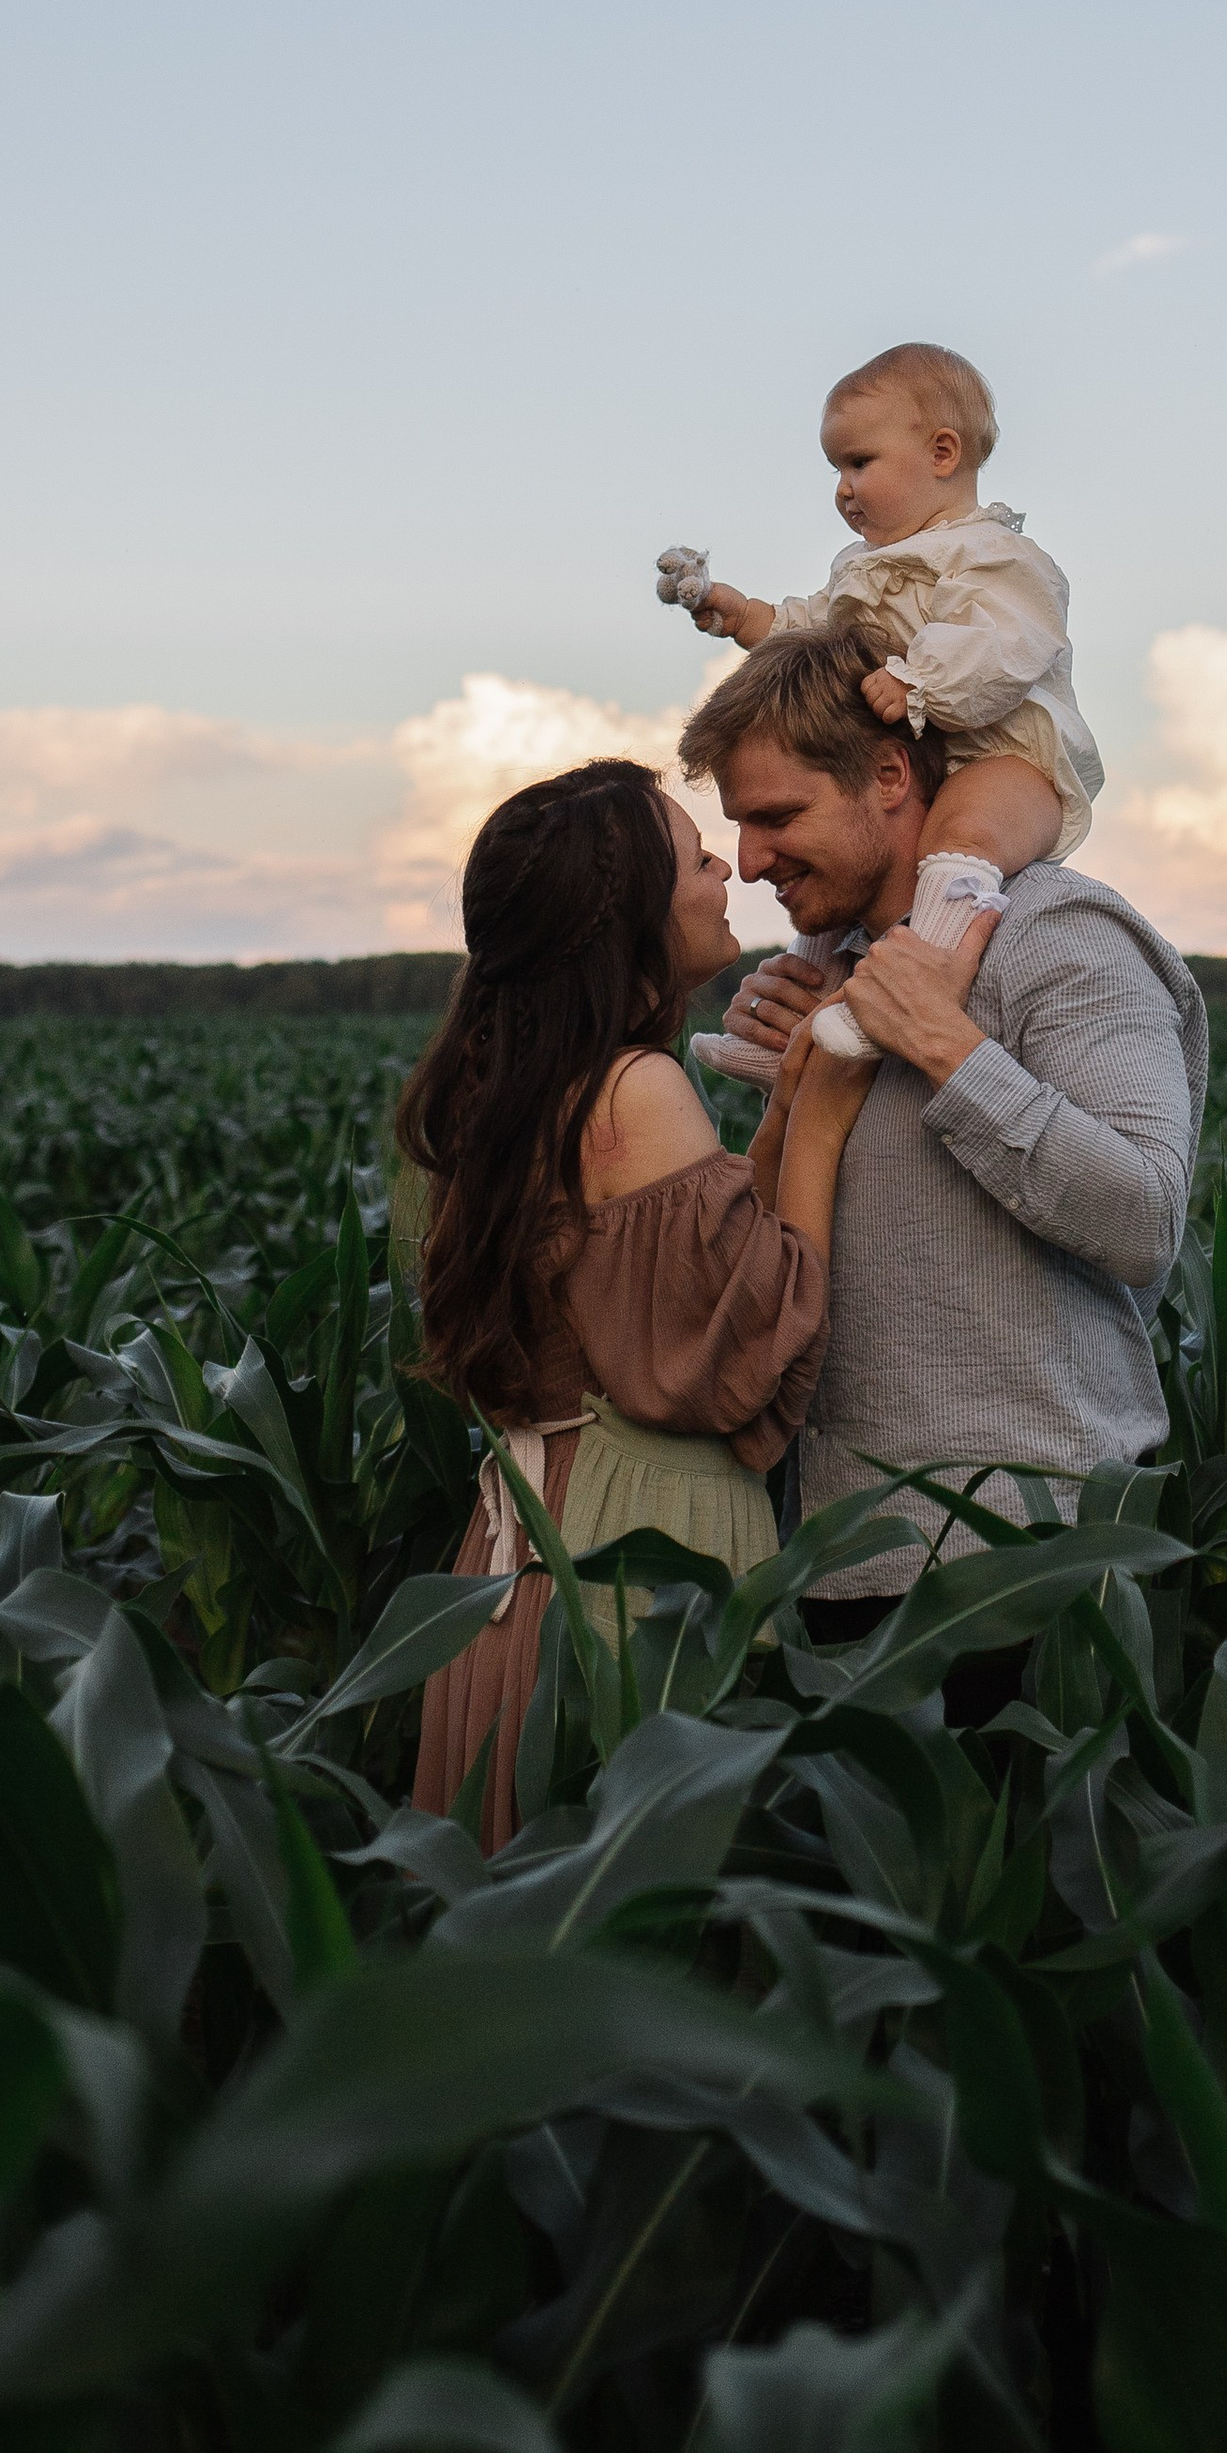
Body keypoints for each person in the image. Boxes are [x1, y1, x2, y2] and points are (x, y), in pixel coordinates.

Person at [675, 625, 1206, 1689]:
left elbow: (1145, 1219)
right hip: (841, 1557)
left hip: (1033, 1556)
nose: (751, 861)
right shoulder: (835, 969)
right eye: (737, 825)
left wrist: (944, 1047)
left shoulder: (1061, 932)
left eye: (778, 817)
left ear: (888, 776)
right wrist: (792, 1082)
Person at [402, 758, 870, 1845]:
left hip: (518, 1559)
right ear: (630, 915)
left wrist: (783, 1103)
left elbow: (694, 1271)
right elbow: (749, 1342)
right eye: (695, 858)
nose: (725, 871)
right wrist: (830, 1111)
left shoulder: (522, 1090)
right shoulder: (634, 1088)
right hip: (636, 1564)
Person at [655, 339, 1104, 1076]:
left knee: (958, 840)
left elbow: (1006, 642)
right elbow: (817, 629)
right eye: (836, 470)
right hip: (926, 757)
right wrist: (745, 615)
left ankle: (911, 992)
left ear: (942, 453)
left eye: (859, 463)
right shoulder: (863, 571)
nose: (843, 489)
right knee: (838, 891)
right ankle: (793, 1039)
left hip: (1008, 760)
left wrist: (921, 681)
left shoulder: (994, 556)